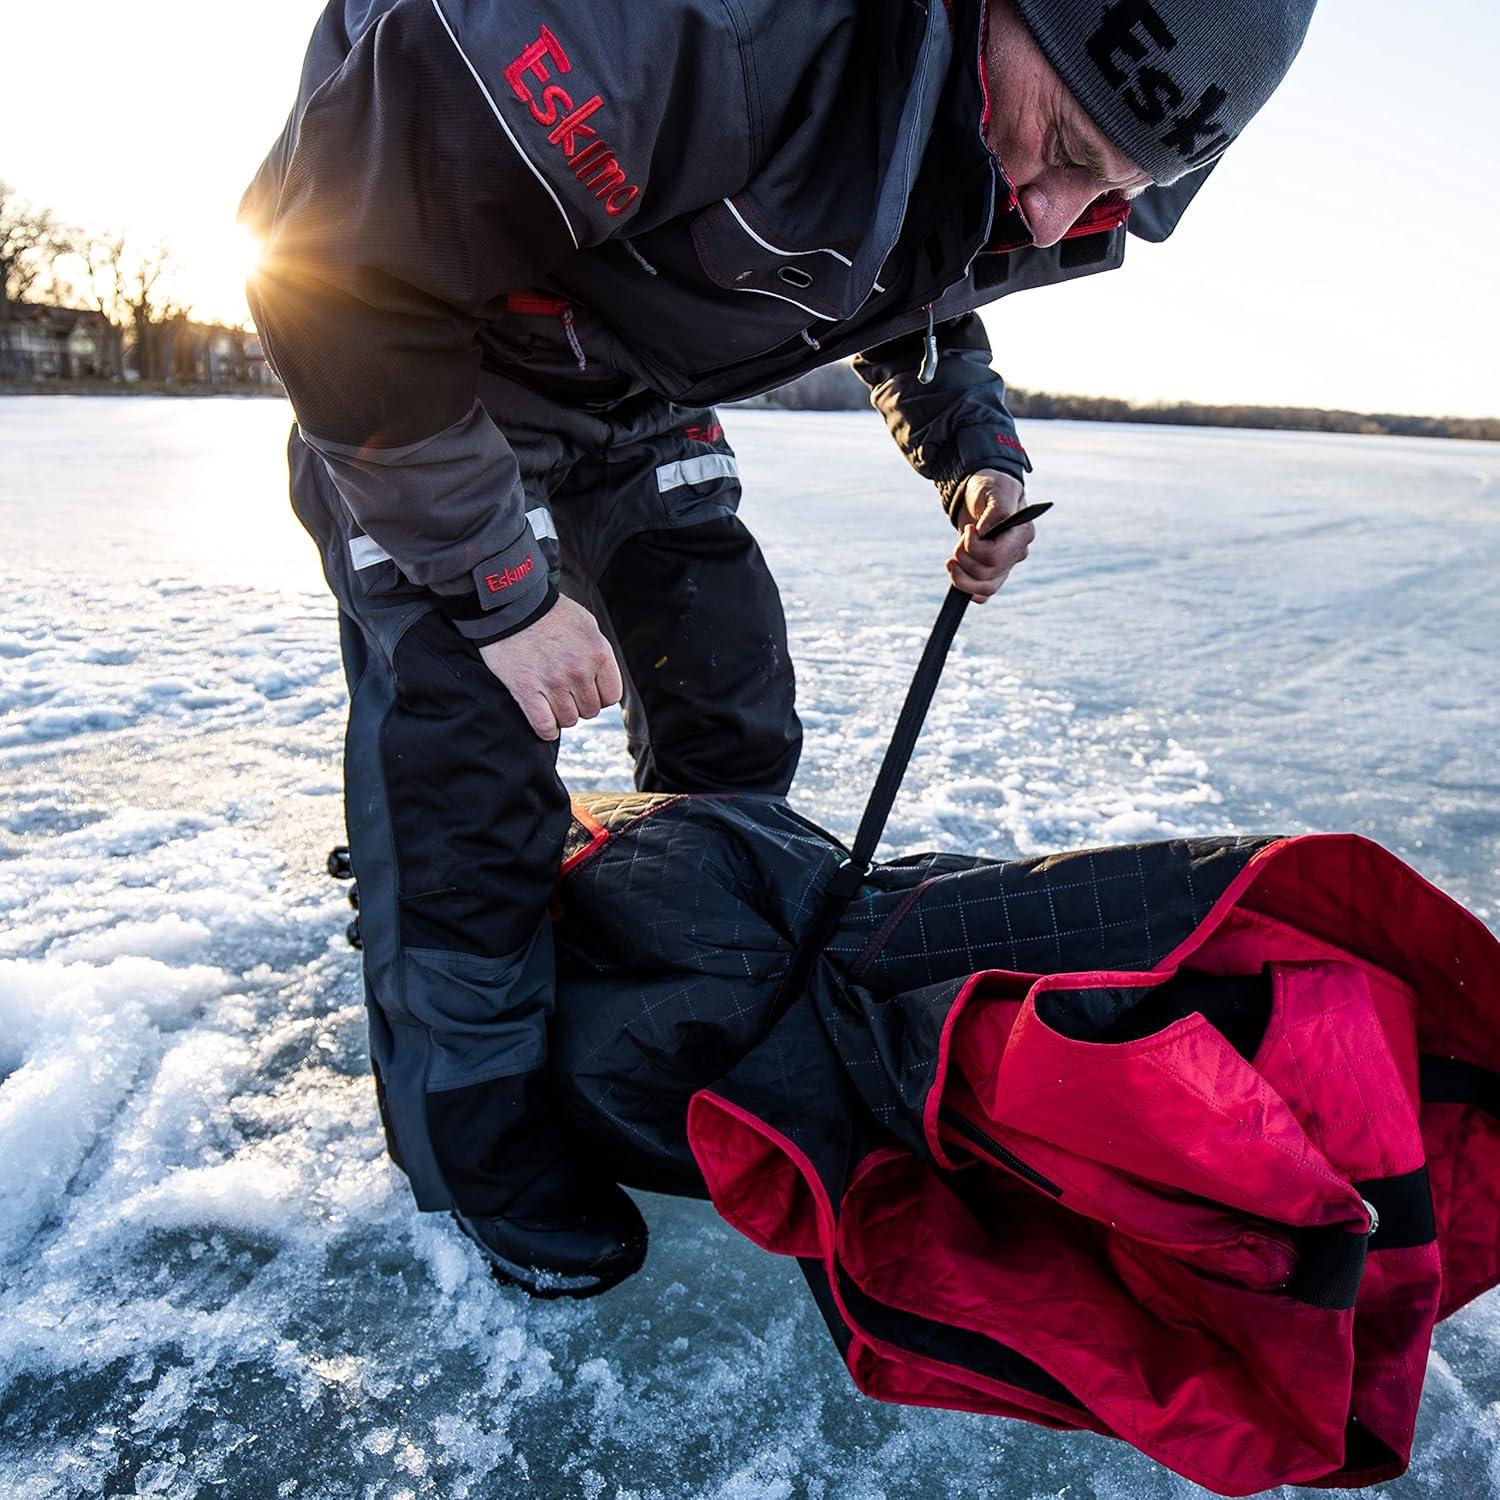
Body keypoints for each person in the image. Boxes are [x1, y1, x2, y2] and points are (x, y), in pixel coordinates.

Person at [241, 0, 1317, 1297]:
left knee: (729, 700)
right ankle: (471, 1135)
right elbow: (339, 263)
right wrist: (502, 593)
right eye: (1066, 147)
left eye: (1114, 190)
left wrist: (976, 455)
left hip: (635, 387)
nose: (1053, 216)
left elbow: (919, 270)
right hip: (423, 365)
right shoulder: (681, 25)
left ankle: (667, 983)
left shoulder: (1007, 130)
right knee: (465, 760)